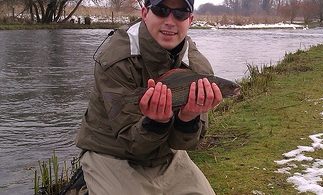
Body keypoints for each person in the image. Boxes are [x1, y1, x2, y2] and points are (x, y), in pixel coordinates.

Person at [75, 0, 222, 194]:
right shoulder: (115, 58)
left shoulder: (198, 68)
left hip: (165, 155)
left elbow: (183, 144)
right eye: (161, 10)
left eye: (180, 14)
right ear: (145, 13)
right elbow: (130, 142)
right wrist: (155, 123)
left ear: (190, 20)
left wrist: (188, 119)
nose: (170, 21)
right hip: (111, 151)